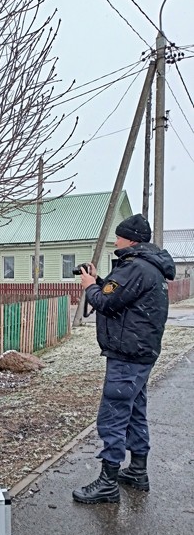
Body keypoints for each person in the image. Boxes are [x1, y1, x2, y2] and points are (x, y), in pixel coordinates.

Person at [72, 213, 176, 504]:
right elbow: (119, 296)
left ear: (130, 239)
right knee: (135, 411)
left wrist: (89, 286)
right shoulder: (148, 267)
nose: (115, 240)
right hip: (140, 353)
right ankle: (137, 471)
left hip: (128, 355)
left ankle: (107, 482)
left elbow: (105, 301)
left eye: (118, 236)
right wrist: (100, 280)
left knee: (114, 415)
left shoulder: (135, 267)